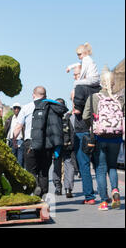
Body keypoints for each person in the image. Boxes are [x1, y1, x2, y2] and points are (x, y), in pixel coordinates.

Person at [12, 86, 68, 198]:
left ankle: (36, 187)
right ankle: (43, 196)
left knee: (31, 170)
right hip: (47, 144)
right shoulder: (51, 106)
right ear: (45, 96)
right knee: (44, 171)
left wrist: (14, 140)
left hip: (30, 143)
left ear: (33, 95)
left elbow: (18, 127)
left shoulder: (27, 108)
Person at [83, 70, 124, 211]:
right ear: (113, 82)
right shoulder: (120, 98)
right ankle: (115, 190)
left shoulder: (94, 97)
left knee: (100, 169)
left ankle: (104, 202)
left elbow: (85, 116)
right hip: (116, 138)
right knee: (112, 166)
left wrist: (93, 126)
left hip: (99, 137)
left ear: (101, 82)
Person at [72, 65, 102, 204]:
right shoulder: (99, 88)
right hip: (97, 130)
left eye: (76, 75)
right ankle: (104, 195)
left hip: (82, 130)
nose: (74, 77)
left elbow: (77, 111)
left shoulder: (79, 88)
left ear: (83, 74)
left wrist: (74, 103)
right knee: (99, 165)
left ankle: (89, 197)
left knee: (84, 165)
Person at [52, 98, 77, 198]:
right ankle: (68, 188)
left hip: (56, 147)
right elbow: (73, 132)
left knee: (56, 167)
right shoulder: (69, 117)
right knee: (69, 166)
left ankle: (58, 188)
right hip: (68, 145)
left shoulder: (52, 117)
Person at [4, 103, 25, 167]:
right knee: (12, 158)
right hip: (11, 141)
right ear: (12, 109)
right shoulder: (10, 119)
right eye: (15, 108)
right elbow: (6, 129)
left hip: (20, 141)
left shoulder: (23, 119)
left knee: (20, 159)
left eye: (18, 108)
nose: (16, 110)